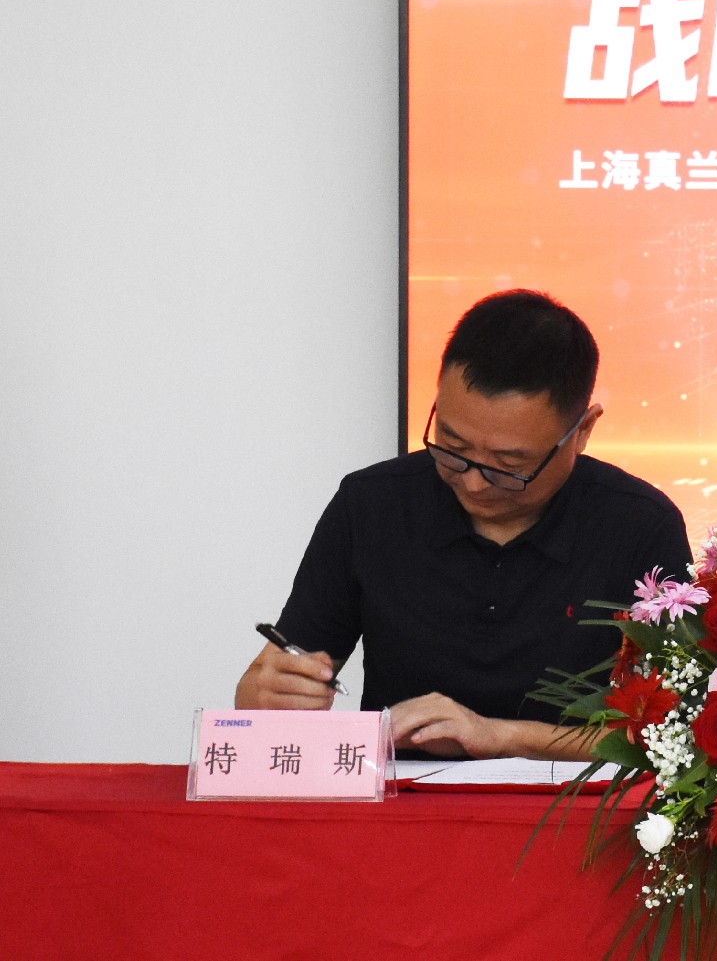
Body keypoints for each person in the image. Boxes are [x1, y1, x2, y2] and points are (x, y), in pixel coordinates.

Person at [235, 290, 690, 760]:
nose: (473, 483)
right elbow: (275, 680)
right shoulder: (370, 504)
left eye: (509, 466)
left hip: (569, 803)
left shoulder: (640, 526)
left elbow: (672, 734)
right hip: (398, 797)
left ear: (583, 431)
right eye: (452, 447)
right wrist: (263, 695)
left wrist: (501, 737)